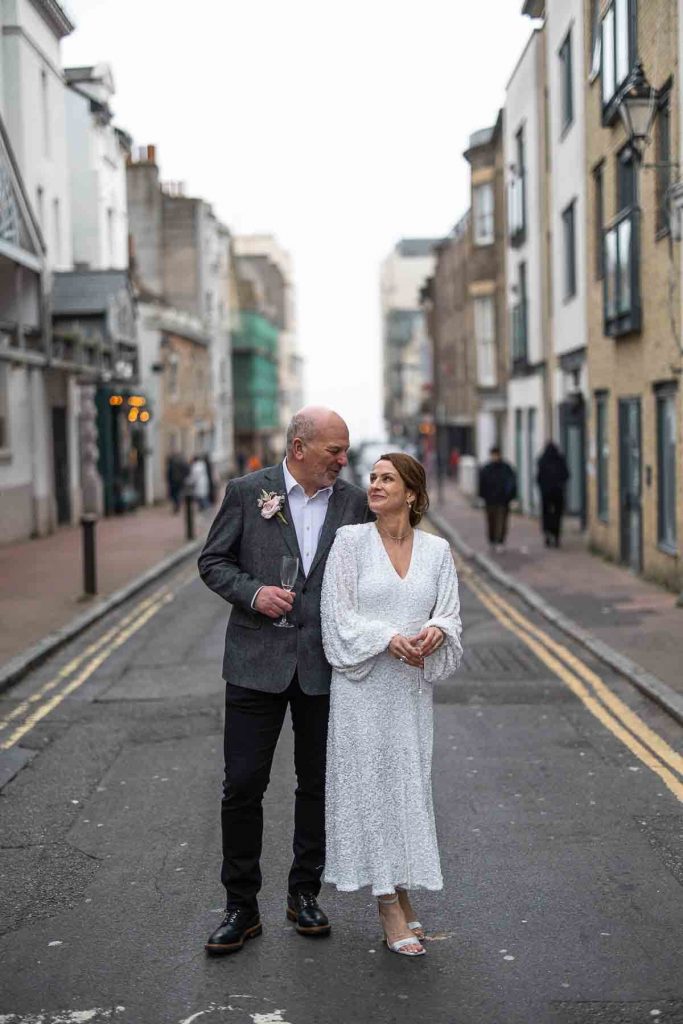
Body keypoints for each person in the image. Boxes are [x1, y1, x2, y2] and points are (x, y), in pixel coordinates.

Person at [198, 407, 372, 955]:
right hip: (254, 664)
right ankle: (240, 908)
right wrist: (253, 593)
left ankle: (304, 894)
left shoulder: (352, 503)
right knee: (243, 784)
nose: (344, 461)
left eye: (345, 451)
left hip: (326, 665)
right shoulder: (249, 492)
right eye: (334, 451)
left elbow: (374, 573)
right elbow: (213, 561)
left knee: (317, 784)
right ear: (299, 448)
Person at [321, 453, 463, 957]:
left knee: (405, 788)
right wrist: (385, 638)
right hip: (363, 690)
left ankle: (400, 890)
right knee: (371, 790)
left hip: (409, 693)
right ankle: (386, 905)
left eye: (387, 479)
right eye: (373, 478)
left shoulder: (437, 550)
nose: (375, 485)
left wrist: (436, 632)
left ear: (412, 494)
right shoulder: (350, 543)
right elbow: (335, 619)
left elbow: (449, 613)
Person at [478, 446, 517, 553]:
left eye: (496, 454)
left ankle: (500, 541)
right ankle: (492, 540)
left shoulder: (506, 468)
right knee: (491, 521)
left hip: (502, 501)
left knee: (502, 521)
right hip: (490, 500)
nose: (495, 457)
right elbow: (482, 484)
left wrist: (510, 496)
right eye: (493, 455)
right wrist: (482, 496)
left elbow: (512, 483)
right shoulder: (486, 469)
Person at [537, 441, 570, 548]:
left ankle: (547, 534)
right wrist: (560, 484)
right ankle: (556, 536)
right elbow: (566, 475)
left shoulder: (542, 460)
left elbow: (539, 477)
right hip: (557, 492)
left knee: (546, 514)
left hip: (546, 493)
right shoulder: (560, 460)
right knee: (557, 514)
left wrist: (542, 487)